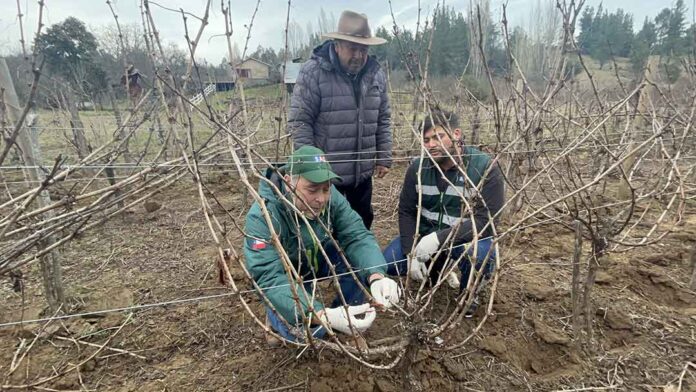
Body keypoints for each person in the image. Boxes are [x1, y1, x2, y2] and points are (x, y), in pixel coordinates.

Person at [244, 146, 400, 342]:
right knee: (306, 335)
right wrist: (321, 315)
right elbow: (269, 276)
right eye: (312, 189)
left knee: (356, 265)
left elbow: (356, 235)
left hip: (318, 257)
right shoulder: (262, 215)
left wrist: (377, 275)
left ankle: (346, 316)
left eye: (326, 189)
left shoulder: (331, 197)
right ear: (288, 181)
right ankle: (299, 319)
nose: (321, 198)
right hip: (286, 274)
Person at [383, 110, 505, 316]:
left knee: (480, 255)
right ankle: (436, 270)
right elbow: (406, 210)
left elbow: (488, 221)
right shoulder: (417, 168)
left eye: (438, 137)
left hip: (464, 239)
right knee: (388, 265)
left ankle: (469, 293)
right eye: (426, 140)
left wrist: (438, 240)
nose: (431, 145)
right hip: (423, 236)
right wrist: (409, 250)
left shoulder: (484, 168)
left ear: (456, 134)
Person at [288, 10, 392, 230]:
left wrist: (383, 156)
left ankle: (359, 264)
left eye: (363, 49)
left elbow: (383, 118)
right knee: (326, 230)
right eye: (353, 48)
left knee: (361, 225)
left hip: (361, 175)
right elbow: (300, 122)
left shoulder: (375, 74)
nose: (358, 55)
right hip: (326, 178)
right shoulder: (313, 72)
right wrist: (312, 169)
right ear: (336, 45)